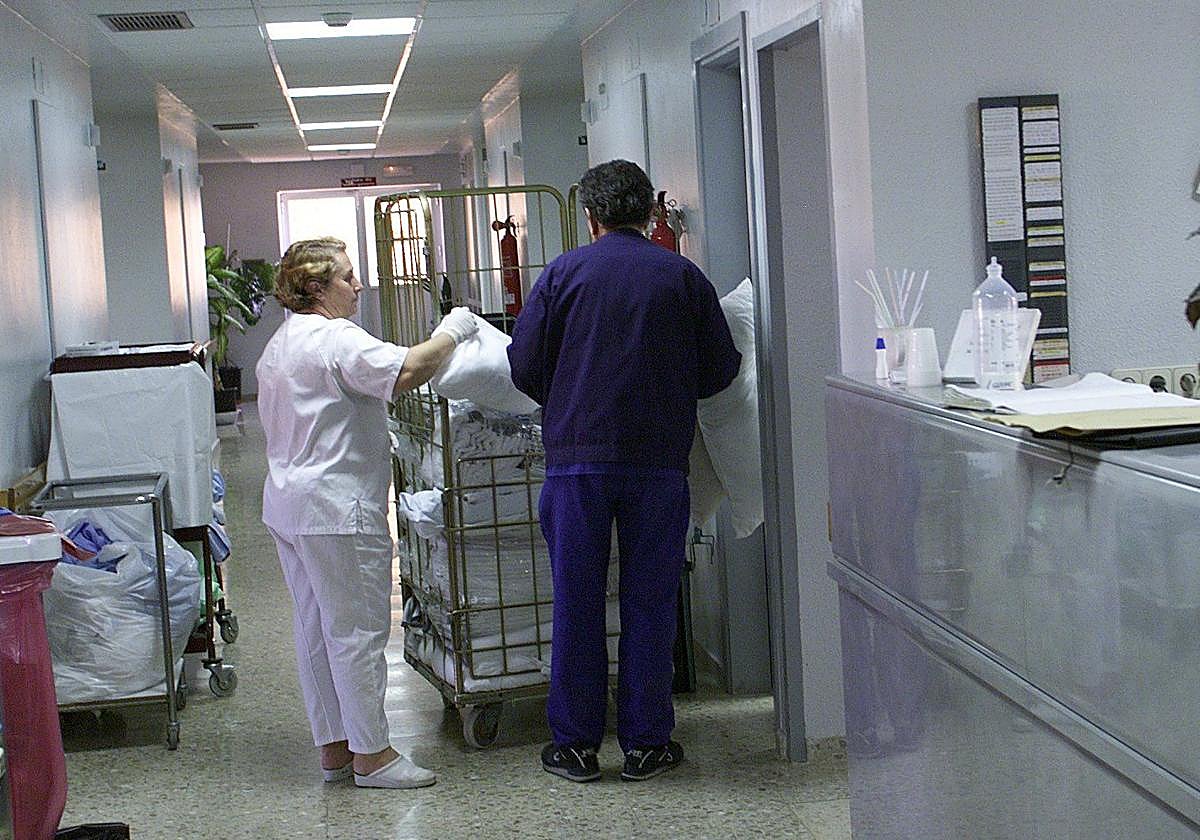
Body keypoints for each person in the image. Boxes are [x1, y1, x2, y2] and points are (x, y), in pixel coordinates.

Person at [507, 160, 741, 782]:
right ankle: (646, 744)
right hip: (658, 464)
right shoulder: (683, 279)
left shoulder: (562, 275)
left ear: (590, 216)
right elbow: (721, 371)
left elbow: (525, 365)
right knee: (650, 602)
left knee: (578, 602)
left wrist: (571, 394)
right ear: (649, 214)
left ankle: (576, 746)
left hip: (576, 463)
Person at [256, 237, 477, 789]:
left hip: (289, 506)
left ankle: (335, 748)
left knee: (316, 630)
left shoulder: (279, 345)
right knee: (356, 631)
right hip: (337, 508)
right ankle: (373, 756)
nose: (357, 286)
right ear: (316, 288)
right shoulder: (334, 338)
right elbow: (406, 371)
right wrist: (455, 329)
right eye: (347, 277)